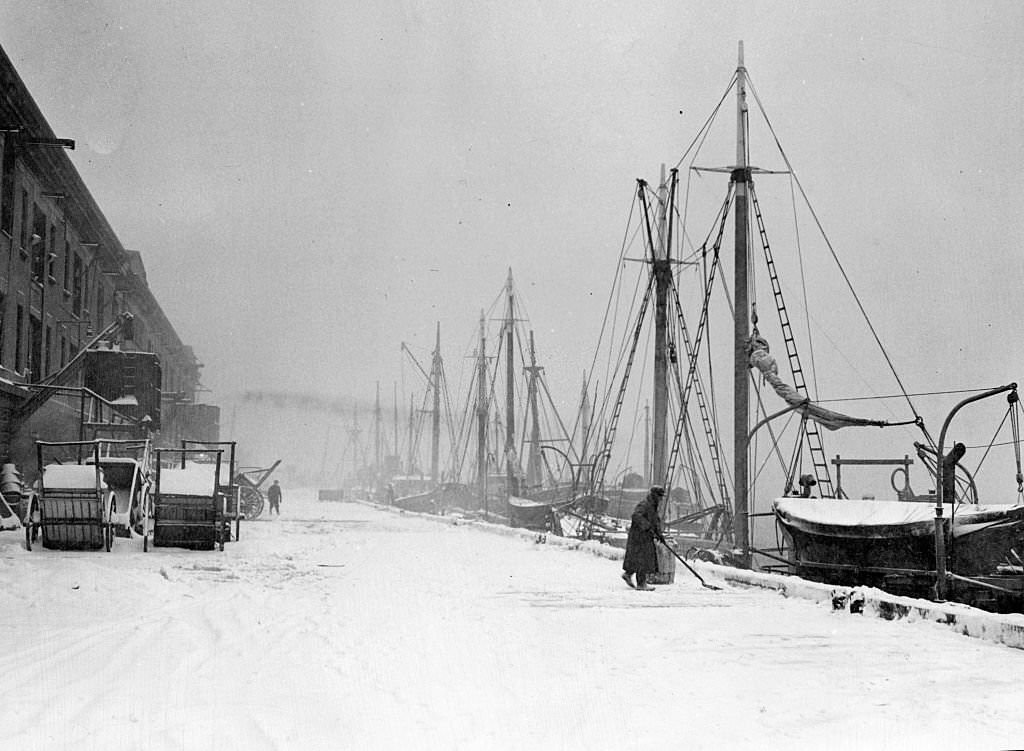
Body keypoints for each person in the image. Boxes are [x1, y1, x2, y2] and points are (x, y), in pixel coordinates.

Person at [622, 485, 665, 591]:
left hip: (645, 537)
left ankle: (628, 574)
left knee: (638, 559)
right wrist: (647, 526)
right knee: (643, 560)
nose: (661, 499)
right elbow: (636, 516)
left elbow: (655, 522)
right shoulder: (645, 504)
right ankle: (641, 584)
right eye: (660, 496)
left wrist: (660, 535)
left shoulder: (653, 506)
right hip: (639, 537)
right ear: (654, 495)